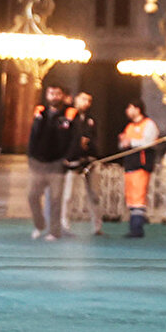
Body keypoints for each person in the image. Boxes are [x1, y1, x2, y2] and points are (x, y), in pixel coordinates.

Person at [27, 83, 74, 240]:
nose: (54, 97)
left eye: (57, 94)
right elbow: (33, 135)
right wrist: (31, 156)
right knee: (32, 196)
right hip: (39, 163)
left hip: (57, 163)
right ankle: (39, 224)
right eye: (51, 93)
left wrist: (67, 158)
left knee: (55, 199)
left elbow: (73, 138)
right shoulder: (41, 113)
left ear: (62, 96)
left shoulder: (69, 114)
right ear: (47, 95)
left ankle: (54, 231)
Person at [60, 91, 103, 236]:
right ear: (76, 100)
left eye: (89, 100)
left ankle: (97, 227)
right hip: (72, 160)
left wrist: (88, 144)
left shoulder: (91, 119)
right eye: (83, 99)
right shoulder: (68, 116)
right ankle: (64, 225)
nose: (86, 103)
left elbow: (95, 139)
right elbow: (63, 136)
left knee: (95, 195)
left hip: (89, 160)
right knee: (68, 195)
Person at [117, 99, 160, 238]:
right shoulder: (129, 126)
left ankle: (137, 228)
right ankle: (133, 227)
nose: (127, 111)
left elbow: (148, 142)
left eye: (129, 108)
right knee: (130, 197)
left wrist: (131, 142)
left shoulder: (149, 124)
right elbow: (123, 144)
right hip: (129, 164)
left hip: (141, 165)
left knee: (138, 197)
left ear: (137, 109)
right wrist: (123, 142)